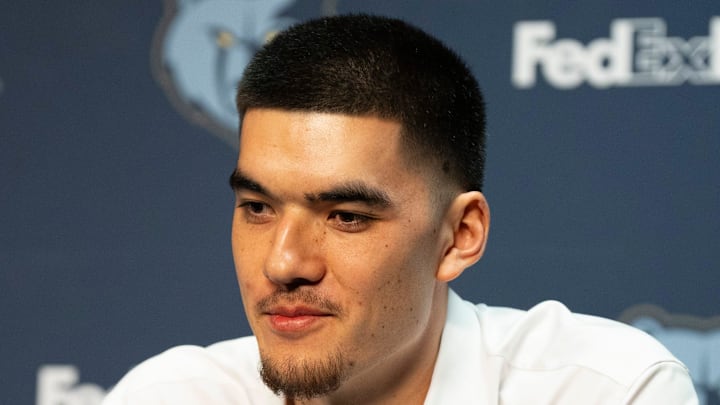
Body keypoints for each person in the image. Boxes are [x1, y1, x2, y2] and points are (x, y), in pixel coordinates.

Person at [103, 14, 698, 404]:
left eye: (347, 216)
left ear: (459, 236)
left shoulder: (602, 391)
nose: (283, 263)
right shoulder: (166, 395)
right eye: (257, 207)